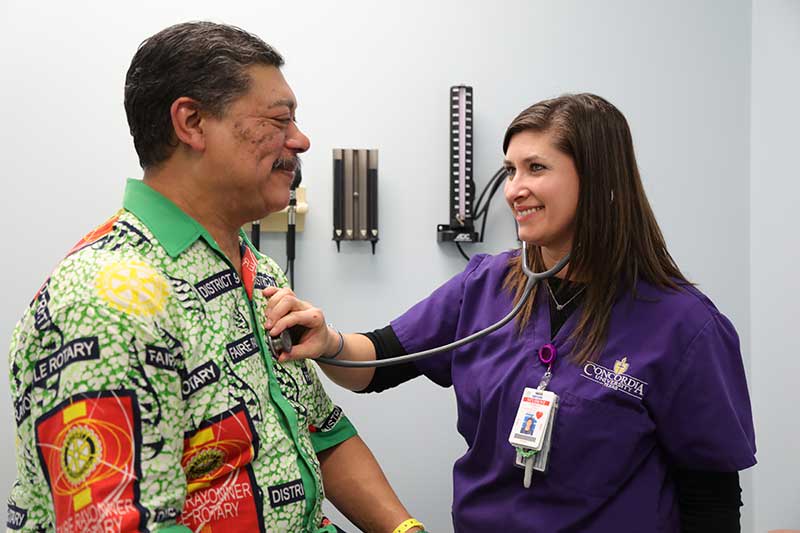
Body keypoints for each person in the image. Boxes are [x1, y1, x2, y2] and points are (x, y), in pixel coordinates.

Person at [263, 94, 757, 532]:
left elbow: (710, 499)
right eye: (510, 170)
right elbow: (377, 364)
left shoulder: (683, 326)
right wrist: (327, 341)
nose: (513, 189)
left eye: (536, 169)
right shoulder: (487, 284)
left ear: (601, 181)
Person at [5, 21, 427, 533]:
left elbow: (322, 433)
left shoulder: (257, 272)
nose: (302, 140)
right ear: (193, 123)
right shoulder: (104, 298)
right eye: (279, 120)